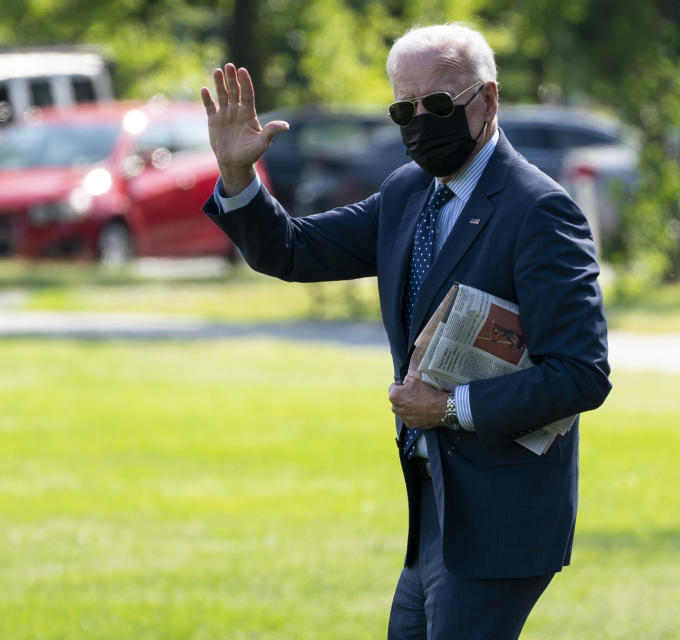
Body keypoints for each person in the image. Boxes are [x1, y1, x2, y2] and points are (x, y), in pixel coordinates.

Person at [199, 23, 611, 640]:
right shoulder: (408, 191)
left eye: (439, 105)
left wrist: (448, 407)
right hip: (436, 507)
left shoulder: (539, 210)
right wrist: (238, 177)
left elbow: (581, 374)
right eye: (404, 108)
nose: (421, 121)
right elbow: (292, 250)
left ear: (488, 100)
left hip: (501, 517)